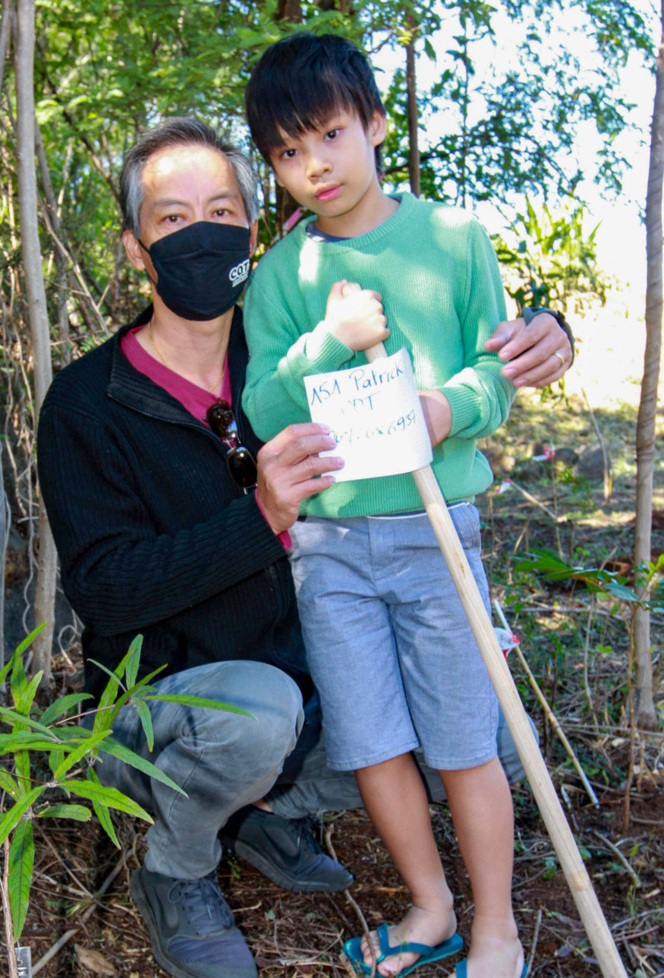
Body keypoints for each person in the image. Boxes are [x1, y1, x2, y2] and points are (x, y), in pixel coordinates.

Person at [37, 116, 572, 978]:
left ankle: (262, 812)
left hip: (309, 673)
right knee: (256, 716)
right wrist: (261, 515)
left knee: (481, 740)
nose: (201, 233)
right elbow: (104, 593)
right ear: (136, 248)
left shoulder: (286, 358)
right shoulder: (87, 403)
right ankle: (178, 866)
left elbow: (426, 324)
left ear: (254, 234)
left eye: (222, 211)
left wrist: (546, 325)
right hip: (168, 705)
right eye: (173, 220)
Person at [242, 32, 538, 978]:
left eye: (329, 134)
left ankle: (497, 927)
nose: (314, 166)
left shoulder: (453, 240)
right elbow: (265, 412)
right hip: (330, 544)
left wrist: (452, 403)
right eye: (288, 152)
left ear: (373, 123)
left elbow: (498, 366)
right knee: (373, 743)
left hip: (434, 533)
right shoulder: (282, 280)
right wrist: (329, 338)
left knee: (462, 742)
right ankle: (430, 909)